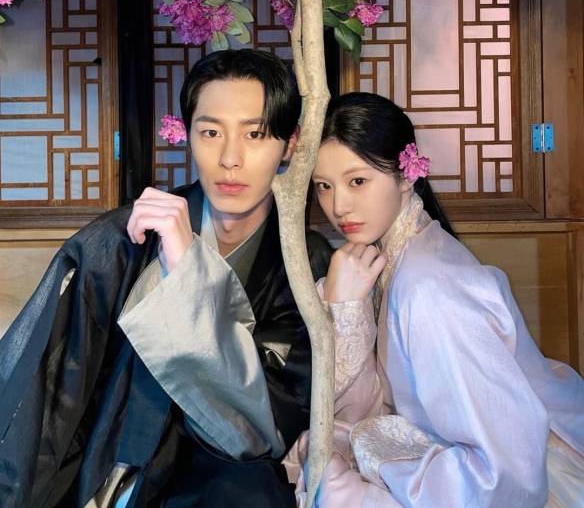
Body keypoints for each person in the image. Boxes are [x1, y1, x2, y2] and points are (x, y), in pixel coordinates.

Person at [0, 49, 332, 508]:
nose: (230, 158)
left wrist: (187, 273)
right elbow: (51, 380)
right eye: (211, 132)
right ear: (187, 134)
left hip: (223, 474)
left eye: (254, 134)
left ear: (290, 144)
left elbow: (265, 425)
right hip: (116, 464)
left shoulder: (303, 260)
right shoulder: (126, 237)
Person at [286, 92, 584, 507]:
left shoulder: (431, 287)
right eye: (324, 186)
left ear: (407, 175)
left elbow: (502, 472)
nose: (338, 206)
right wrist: (345, 309)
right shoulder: (387, 256)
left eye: (357, 181)